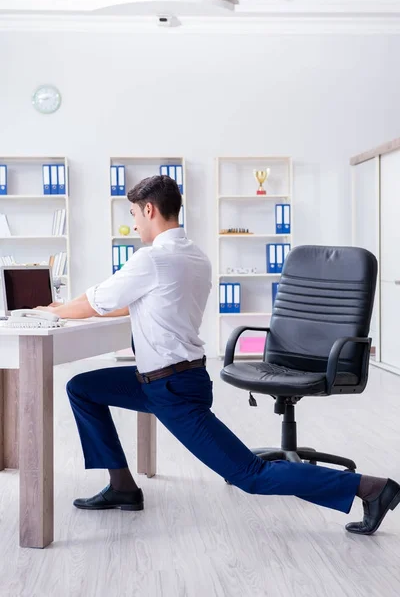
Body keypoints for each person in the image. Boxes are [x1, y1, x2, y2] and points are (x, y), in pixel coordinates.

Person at [37, 175, 400, 536]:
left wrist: (48, 312)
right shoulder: (194, 255)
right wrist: (65, 308)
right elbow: (138, 302)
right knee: (82, 388)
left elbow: (95, 301)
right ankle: (122, 487)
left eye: (134, 213)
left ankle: (371, 488)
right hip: (164, 380)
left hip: (172, 389)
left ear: (149, 209)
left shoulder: (152, 259)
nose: (133, 223)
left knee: (250, 475)